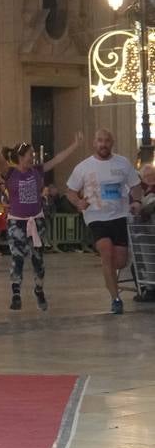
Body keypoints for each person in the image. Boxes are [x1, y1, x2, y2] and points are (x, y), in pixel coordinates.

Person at [0, 130, 83, 312]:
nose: (33, 157)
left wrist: (75, 145)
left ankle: (39, 289)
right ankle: (16, 293)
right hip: (17, 222)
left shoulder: (37, 171)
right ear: (21, 157)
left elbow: (57, 159)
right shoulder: (10, 174)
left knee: (38, 258)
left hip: (36, 220)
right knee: (17, 257)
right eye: (30, 154)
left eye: (33, 154)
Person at [66, 129, 142, 314]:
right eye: (100, 140)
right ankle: (115, 298)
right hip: (95, 216)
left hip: (119, 215)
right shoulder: (83, 167)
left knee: (120, 261)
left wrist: (137, 201)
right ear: (94, 143)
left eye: (107, 141)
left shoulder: (122, 163)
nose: (103, 144)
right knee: (106, 252)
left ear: (112, 143)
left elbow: (136, 185)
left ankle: (110, 277)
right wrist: (78, 202)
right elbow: (70, 191)